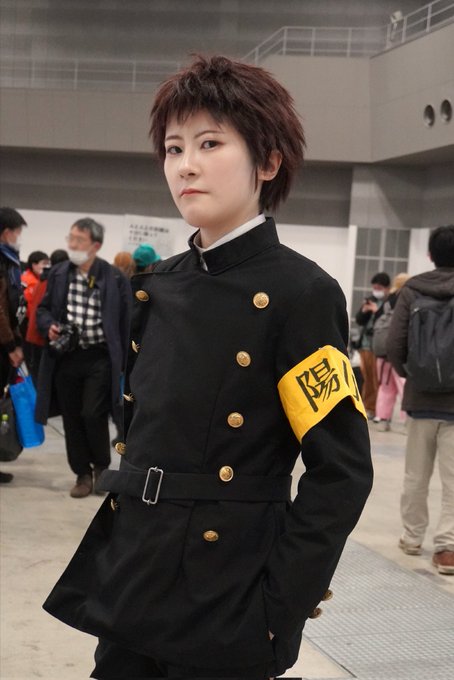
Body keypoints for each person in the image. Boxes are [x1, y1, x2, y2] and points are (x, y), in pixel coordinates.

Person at [43, 55, 373, 678]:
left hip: (229, 590)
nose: (185, 165)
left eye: (210, 143)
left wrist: (283, 604)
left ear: (268, 162)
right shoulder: (156, 286)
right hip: (135, 569)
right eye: (173, 148)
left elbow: (342, 471)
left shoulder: (301, 294)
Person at [35, 218, 131, 498]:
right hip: (66, 356)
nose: (73, 245)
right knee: (72, 416)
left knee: (93, 412)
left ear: (95, 246)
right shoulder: (58, 273)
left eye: (79, 240)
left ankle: (101, 467)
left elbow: (126, 322)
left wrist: (125, 362)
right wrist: (49, 326)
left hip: (100, 357)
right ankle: (82, 474)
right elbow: (42, 310)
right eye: (71, 238)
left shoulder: (114, 278)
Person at [387, 225, 454, 575]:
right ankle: (447, 549)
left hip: (420, 399)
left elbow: (394, 344)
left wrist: (412, 375)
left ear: (430, 254)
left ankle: (412, 537)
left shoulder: (412, 289)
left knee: (416, 475)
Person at [0, 207, 27, 484]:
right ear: (6, 232)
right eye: (17, 232)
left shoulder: (9, 261)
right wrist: (11, 346)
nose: (18, 238)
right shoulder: (2, 262)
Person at [373, 272, 409, 431]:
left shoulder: (387, 300)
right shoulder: (407, 298)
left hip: (382, 351)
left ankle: (382, 419)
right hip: (399, 351)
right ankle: (407, 421)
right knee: (404, 386)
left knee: (385, 386)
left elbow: (376, 319)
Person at [25, 249, 68, 383]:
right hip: (43, 335)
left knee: (38, 378)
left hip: (33, 332)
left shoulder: (42, 279)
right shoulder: (54, 281)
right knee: (43, 381)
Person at [355, 272, 391, 418]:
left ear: (386, 288)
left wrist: (376, 311)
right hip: (365, 345)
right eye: (374, 287)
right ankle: (368, 406)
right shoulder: (370, 300)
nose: (376, 290)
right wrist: (365, 310)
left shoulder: (389, 302)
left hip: (379, 346)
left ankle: (377, 409)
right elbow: (359, 320)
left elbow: (386, 322)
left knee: (378, 380)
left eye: (379, 288)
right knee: (367, 378)